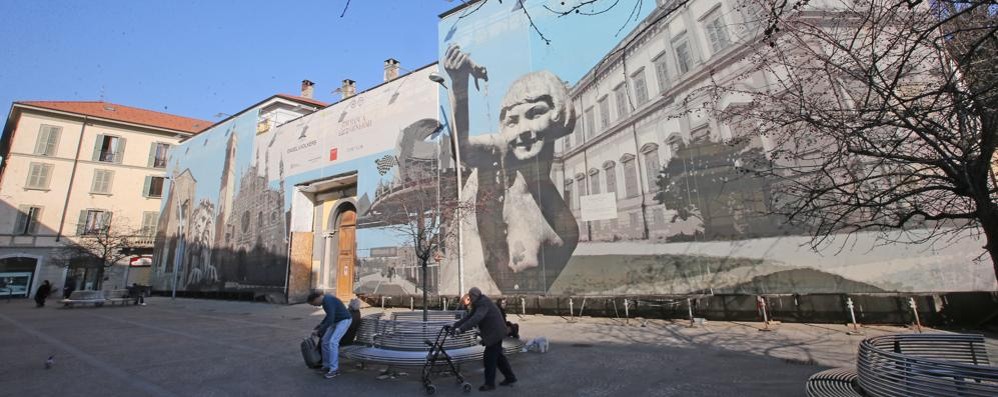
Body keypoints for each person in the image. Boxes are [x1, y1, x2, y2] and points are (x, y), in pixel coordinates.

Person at [443, 44, 580, 293]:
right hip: (473, 297)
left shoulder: (564, 226)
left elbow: (536, 289)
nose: (523, 130)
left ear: (559, 115)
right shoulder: (500, 155)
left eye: (535, 113)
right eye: (513, 121)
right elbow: (462, 150)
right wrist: (459, 86)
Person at [448, 287, 517, 391]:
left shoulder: (483, 304)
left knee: (489, 359)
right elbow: (469, 317)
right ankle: (510, 377)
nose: (470, 299)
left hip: (495, 334)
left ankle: (489, 384)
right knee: (498, 357)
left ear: (475, 296)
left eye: (471, 296)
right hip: (496, 332)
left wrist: (461, 329)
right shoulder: (478, 303)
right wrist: (455, 326)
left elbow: (476, 318)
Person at [308, 291, 352, 379]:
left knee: (332, 342)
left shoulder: (328, 300)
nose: (315, 306)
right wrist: (320, 326)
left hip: (344, 320)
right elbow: (329, 316)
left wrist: (320, 331)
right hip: (336, 321)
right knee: (325, 342)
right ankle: (326, 366)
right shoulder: (325, 301)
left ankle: (334, 369)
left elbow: (330, 319)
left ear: (317, 298)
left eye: (313, 303)